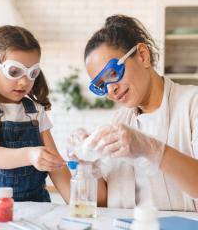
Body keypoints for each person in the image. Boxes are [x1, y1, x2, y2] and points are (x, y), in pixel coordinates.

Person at [79, 14, 198, 211]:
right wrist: (86, 164)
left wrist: (152, 149)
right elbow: (102, 202)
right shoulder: (119, 120)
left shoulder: (192, 104)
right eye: (101, 85)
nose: (110, 90)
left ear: (142, 55)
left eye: (112, 73)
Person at [0, 25, 71, 202]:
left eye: (32, 73)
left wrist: (76, 205)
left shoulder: (36, 111)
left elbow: (55, 164)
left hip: (36, 204)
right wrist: (30, 155)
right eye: (14, 71)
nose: (24, 82)